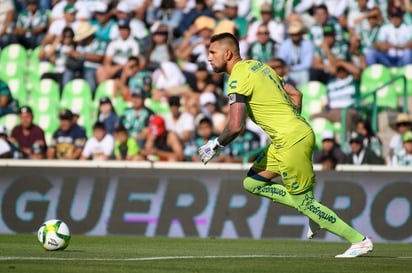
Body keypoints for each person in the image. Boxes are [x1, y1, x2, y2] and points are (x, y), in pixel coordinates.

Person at [199, 32, 373, 258]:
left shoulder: (237, 78)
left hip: (290, 140)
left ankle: (359, 240)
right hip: (292, 136)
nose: (209, 58)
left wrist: (214, 146)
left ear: (228, 53)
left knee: (304, 202)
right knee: (252, 183)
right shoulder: (258, 66)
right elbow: (296, 93)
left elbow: (235, 126)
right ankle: (313, 213)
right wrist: (290, 125)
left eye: (212, 52)